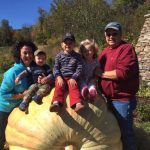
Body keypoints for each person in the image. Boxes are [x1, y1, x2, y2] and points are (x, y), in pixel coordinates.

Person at [98, 22, 139, 150]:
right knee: (114, 133)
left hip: (121, 100)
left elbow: (123, 73)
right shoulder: (105, 51)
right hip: (108, 99)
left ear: (121, 35)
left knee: (126, 135)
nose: (111, 37)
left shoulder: (126, 49)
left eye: (114, 33)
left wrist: (102, 74)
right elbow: (94, 66)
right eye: (108, 34)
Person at [0, 40, 37, 150]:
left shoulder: (34, 68)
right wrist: (21, 95)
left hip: (21, 106)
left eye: (30, 53)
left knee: (20, 134)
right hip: (5, 108)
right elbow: (3, 93)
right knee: (2, 136)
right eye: (25, 53)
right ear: (19, 54)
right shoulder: (13, 72)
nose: (28, 56)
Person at [49, 32, 84, 112]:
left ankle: (77, 103)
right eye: (66, 43)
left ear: (74, 44)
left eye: (70, 43)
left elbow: (79, 68)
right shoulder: (59, 56)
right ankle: (56, 103)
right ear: (62, 44)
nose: (68, 45)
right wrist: (58, 77)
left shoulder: (77, 56)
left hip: (72, 77)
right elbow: (56, 68)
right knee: (58, 86)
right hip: (61, 77)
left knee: (74, 87)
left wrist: (74, 77)